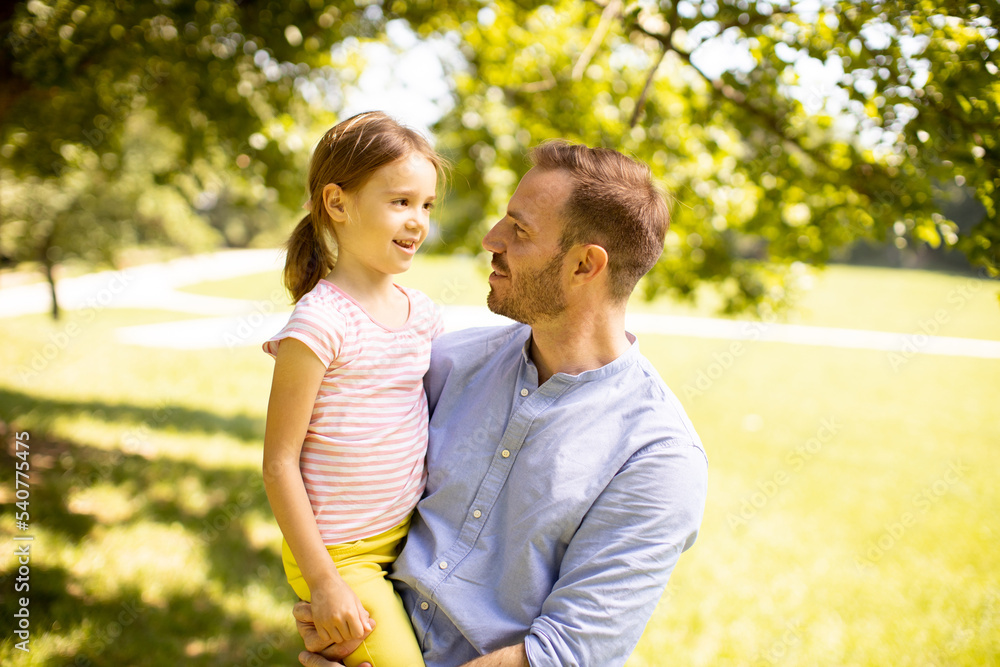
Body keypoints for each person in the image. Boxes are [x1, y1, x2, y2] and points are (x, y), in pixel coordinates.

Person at [294, 141, 708, 667]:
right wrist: (332, 600)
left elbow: (564, 654)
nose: (492, 238)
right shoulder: (445, 363)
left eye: (519, 228)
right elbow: (339, 488)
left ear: (585, 264)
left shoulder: (659, 460)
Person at [262, 111, 447, 667]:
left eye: (426, 205)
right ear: (338, 204)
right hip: (341, 557)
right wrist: (323, 583)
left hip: (411, 534)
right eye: (400, 202)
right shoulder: (318, 324)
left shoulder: (423, 315)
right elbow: (278, 464)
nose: (417, 221)